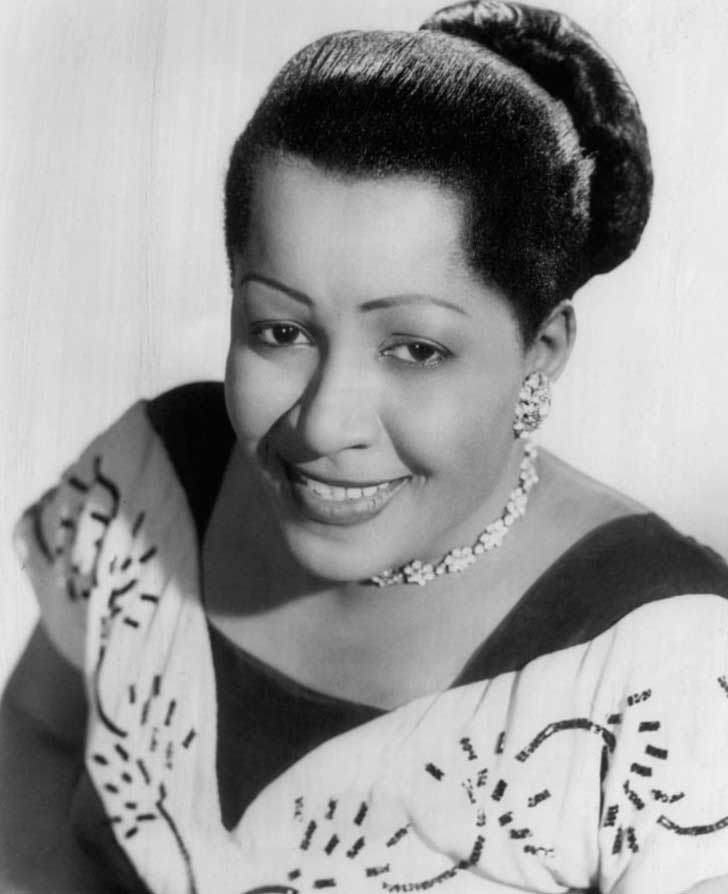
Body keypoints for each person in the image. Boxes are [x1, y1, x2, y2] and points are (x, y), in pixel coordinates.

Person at [2, 2, 728, 892]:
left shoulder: (675, 664)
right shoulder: (160, 470)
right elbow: (31, 738)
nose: (323, 422)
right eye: (279, 331)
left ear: (542, 352)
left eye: (414, 349)